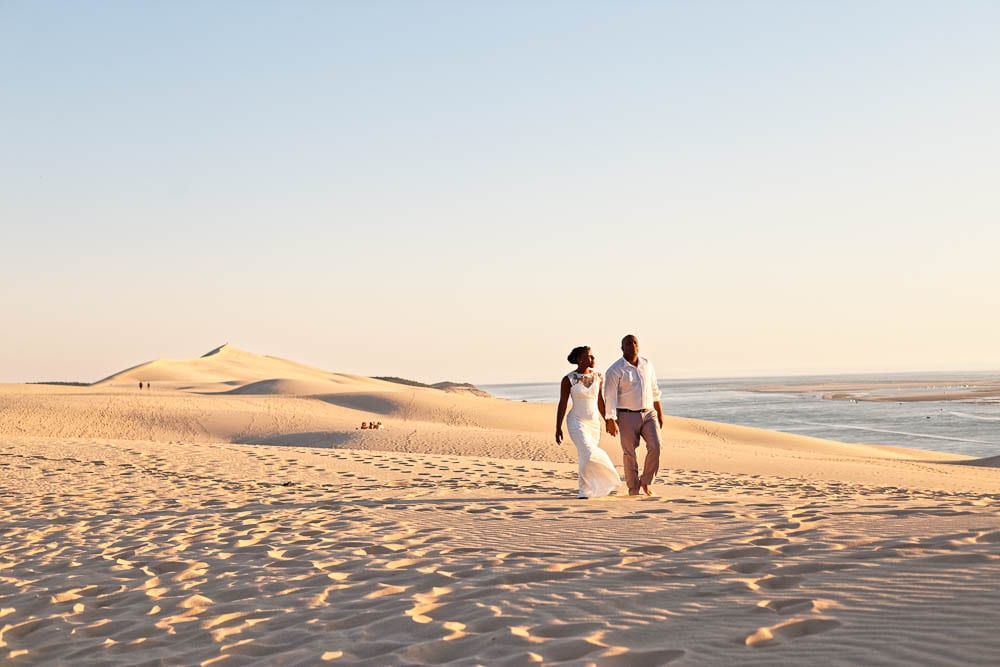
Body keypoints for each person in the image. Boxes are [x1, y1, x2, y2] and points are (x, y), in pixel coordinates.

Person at [555, 346, 622, 499]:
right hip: (576, 421)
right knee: (589, 451)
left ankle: (584, 491)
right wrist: (557, 427)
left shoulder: (598, 377)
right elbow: (563, 403)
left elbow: (600, 401)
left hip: (594, 423)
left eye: (593, 356)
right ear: (579, 359)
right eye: (589, 356)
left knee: (584, 457)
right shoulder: (568, 379)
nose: (593, 359)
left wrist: (607, 420)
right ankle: (608, 477)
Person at [604, 334, 663, 496]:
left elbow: (654, 390)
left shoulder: (647, 364)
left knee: (656, 446)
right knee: (630, 453)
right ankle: (633, 488)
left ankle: (646, 480)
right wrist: (610, 419)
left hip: (649, 413)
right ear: (622, 348)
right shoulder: (615, 370)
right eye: (628, 343)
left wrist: (659, 412)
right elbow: (609, 396)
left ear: (639, 345)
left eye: (635, 342)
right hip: (626, 416)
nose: (632, 345)